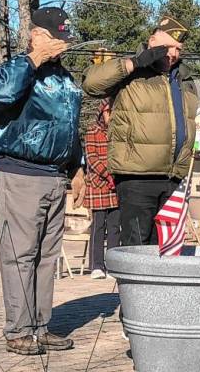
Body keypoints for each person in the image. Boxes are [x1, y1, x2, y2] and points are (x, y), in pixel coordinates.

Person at [0, 6, 83, 356]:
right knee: (20, 255)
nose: (62, 46)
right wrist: (35, 57)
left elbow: (70, 126)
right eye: (56, 38)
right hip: (20, 172)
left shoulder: (65, 78)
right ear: (37, 34)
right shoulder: (16, 69)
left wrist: (77, 168)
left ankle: (40, 327)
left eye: (65, 39)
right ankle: (19, 330)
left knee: (46, 258)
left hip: (55, 177)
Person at [81, 16, 198, 246]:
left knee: (168, 250)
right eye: (166, 47)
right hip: (137, 176)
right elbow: (91, 83)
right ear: (152, 41)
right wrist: (134, 63)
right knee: (136, 250)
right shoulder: (130, 71)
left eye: (178, 49)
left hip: (174, 177)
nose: (172, 54)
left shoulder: (185, 79)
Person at [83, 98, 120, 279]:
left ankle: (113, 265)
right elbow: (92, 158)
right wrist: (108, 174)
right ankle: (96, 265)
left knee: (114, 227)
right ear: (101, 113)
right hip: (99, 185)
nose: (110, 116)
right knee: (98, 226)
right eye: (107, 112)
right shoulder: (92, 131)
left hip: (115, 186)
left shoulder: (118, 132)